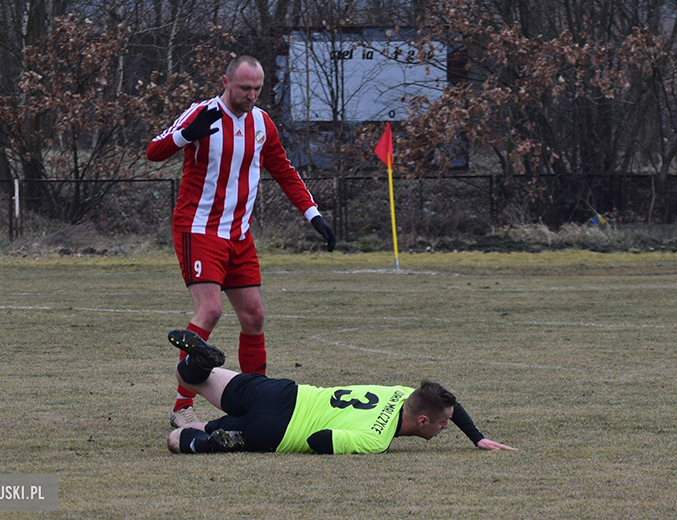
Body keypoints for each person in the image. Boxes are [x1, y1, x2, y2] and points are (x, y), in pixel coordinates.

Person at [146, 56, 336, 428]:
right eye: (244, 88)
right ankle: (182, 405)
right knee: (211, 310)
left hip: (238, 234)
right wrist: (188, 134)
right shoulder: (201, 113)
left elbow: (283, 169)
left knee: (254, 317)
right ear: (226, 82)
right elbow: (154, 151)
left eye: (257, 89)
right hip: (198, 229)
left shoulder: (262, 123)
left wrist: (312, 213)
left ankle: (257, 398)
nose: (251, 95)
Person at [164, 329, 518, 455]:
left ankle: (204, 362)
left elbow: (447, 405)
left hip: (282, 393)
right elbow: (319, 439)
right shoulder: (377, 440)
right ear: (422, 420)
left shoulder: (401, 393)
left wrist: (477, 437)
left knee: (188, 373)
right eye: (441, 426)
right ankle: (215, 437)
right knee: (177, 440)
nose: (444, 429)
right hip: (276, 431)